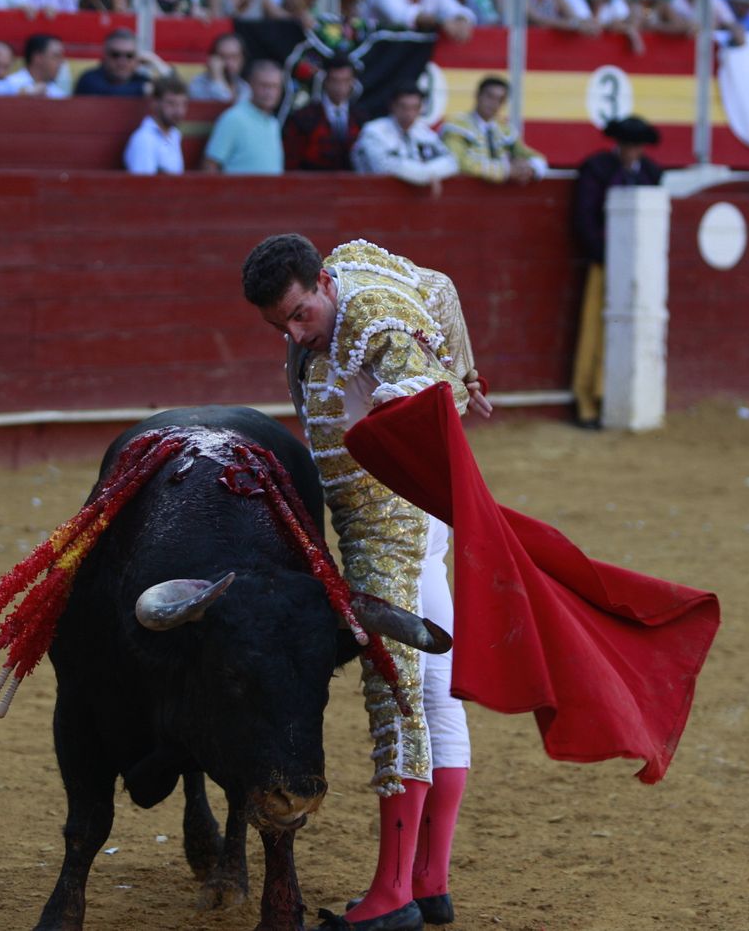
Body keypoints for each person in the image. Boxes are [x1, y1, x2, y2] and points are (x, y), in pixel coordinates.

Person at [239, 233, 489, 930]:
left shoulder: (371, 314)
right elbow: (439, 283)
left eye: (299, 315)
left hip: (387, 520)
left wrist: (436, 390)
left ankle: (394, 894)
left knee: (395, 688)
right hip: (420, 515)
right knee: (434, 689)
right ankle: (429, 879)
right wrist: (467, 366)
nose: (294, 334)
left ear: (322, 281)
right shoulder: (354, 266)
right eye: (279, 326)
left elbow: (422, 389)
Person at [570, 116, 662, 427]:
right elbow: (584, 220)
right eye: (627, 145)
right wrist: (607, 256)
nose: (632, 151)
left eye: (637, 146)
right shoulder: (597, 169)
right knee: (595, 330)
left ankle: (616, 396)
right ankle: (587, 401)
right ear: (618, 144)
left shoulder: (651, 172)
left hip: (642, 267)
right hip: (604, 263)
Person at [440, 76, 547, 184]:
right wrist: (506, 171)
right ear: (478, 95)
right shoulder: (457, 125)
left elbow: (532, 156)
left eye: (500, 99)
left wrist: (530, 169)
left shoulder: (505, 129)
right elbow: (457, 161)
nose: (494, 103)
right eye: (490, 96)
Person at [352, 85, 460, 189]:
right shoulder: (374, 131)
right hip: (374, 196)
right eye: (404, 107)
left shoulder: (423, 132)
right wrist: (425, 175)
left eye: (414, 107)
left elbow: (451, 162)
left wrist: (427, 173)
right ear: (393, 106)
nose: (409, 113)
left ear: (420, 108)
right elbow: (382, 166)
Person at [203, 59, 284, 173]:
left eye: (275, 86)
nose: (269, 92)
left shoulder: (273, 123)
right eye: (264, 85)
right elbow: (210, 166)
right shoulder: (233, 118)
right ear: (251, 84)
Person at [283, 57, 362, 171]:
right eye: (334, 80)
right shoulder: (304, 117)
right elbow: (292, 161)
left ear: (352, 82)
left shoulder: (360, 117)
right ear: (325, 81)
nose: (339, 87)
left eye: (345, 81)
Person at [124, 77, 189, 174]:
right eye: (171, 103)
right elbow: (145, 186)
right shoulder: (144, 139)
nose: (179, 111)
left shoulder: (174, 134)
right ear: (155, 103)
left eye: (182, 104)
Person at [75, 28, 164, 97]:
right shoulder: (89, 80)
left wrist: (158, 64)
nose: (122, 61)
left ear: (137, 59)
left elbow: (173, 92)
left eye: (129, 55)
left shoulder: (141, 80)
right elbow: (110, 94)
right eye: (115, 55)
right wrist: (143, 89)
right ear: (104, 57)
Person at [0, 34, 70, 98]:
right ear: (38, 58)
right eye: (56, 56)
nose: (61, 62)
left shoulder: (58, 94)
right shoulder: (9, 84)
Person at [188, 32, 249, 103]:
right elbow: (223, 107)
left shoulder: (244, 87)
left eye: (234, 57)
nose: (229, 63)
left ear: (242, 59)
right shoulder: (198, 84)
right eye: (223, 57)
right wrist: (218, 78)